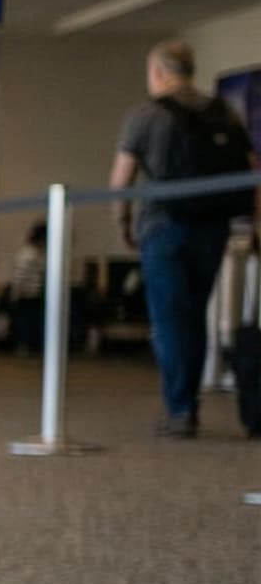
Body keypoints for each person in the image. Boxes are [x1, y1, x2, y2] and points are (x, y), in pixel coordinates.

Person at [109, 39, 261, 438]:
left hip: (163, 226)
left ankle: (181, 408)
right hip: (213, 226)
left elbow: (121, 178)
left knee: (169, 319)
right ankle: (185, 400)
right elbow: (251, 168)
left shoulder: (144, 115)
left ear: (158, 72)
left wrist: (122, 223)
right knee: (194, 313)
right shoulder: (223, 111)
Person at [0, 221, 48, 355]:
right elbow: (19, 278)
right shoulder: (28, 255)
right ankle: (23, 347)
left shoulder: (36, 253)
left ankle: (27, 347)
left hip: (32, 295)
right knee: (25, 324)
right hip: (26, 296)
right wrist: (15, 295)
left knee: (29, 324)